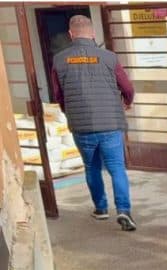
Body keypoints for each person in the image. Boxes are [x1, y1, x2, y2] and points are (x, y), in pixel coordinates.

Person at [52, 15, 136, 231]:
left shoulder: (60, 60)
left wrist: (68, 111)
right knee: (117, 167)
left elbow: (58, 94)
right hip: (110, 123)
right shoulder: (108, 57)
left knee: (92, 167)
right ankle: (124, 211)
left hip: (82, 126)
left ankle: (101, 208)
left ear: (71, 35)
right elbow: (126, 87)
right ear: (93, 34)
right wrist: (127, 101)